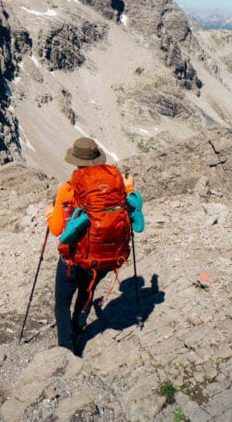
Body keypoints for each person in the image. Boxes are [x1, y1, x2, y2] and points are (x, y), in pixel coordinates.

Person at [46, 137, 144, 356]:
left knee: (62, 302)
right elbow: (131, 218)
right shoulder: (116, 189)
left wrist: (50, 214)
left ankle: (66, 349)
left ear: (76, 162)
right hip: (104, 260)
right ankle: (78, 332)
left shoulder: (69, 190)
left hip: (74, 259)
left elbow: (56, 229)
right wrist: (129, 190)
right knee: (86, 293)